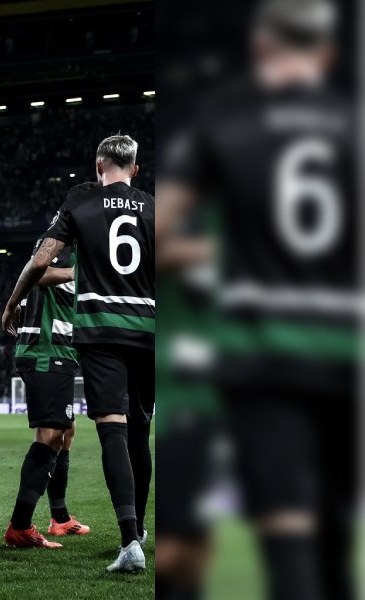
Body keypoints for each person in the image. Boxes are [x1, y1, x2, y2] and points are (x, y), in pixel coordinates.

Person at [157, 0, 357, 597]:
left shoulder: (227, 119)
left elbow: (161, 232)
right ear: (327, 54)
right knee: (333, 530)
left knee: (286, 526)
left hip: (264, 349)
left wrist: (223, 251)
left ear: (262, 48)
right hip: (348, 349)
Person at [2, 135, 155, 573]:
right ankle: (139, 526)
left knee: (113, 428)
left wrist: (13, 302)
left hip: (101, 330)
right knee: (141, 430)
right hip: (149, 328)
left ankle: (129, 544)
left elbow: (38, 262)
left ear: (98, 165)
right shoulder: (155, 206)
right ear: (136, 169)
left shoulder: (81, 202)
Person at [3, 239, 90, 549]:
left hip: (56, 349)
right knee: (51, 435)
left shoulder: (62, 243)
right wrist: (74, 274)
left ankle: (60, 518)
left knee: (66, 431)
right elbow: (37, 272)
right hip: (46, 350)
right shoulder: (62, 244)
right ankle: (20, 526)